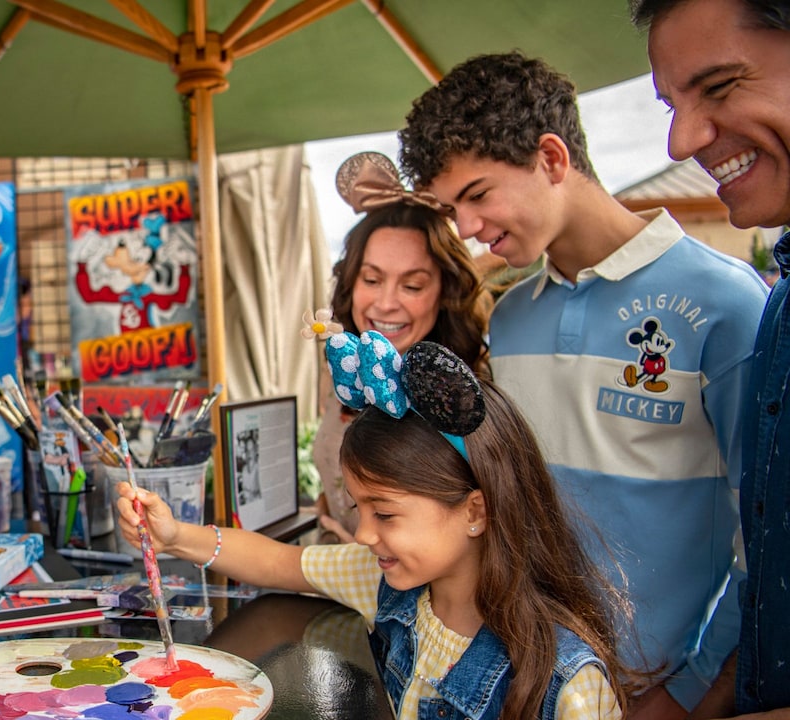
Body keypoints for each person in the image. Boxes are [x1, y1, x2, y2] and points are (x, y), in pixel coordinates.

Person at [396, 51, 770, 717]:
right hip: (525, 676)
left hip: (656, 690)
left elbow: (767, 541)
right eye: (453, 209)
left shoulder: (724, 304)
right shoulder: (509, 318)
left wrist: (692, 695)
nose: (468, 229)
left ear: (552, 158)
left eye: (478, 195)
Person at [118, 329, 633, 719]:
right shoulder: (385, 578)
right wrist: (174, 536)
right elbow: (279, 561)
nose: (363, 533)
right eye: (358, 507)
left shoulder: (569, 684)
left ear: (475, 511)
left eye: (384, 513)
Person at [628, 0, 790, 716]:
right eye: (671, 103)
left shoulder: (731, 299)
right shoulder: (781, 306)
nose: (682, 139)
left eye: (719, 86)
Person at [311, 151, 491, 542]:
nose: (386, 303)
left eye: (412, 285)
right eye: (372, 279)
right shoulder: (346, 374)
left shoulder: (461, 402)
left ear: (446, 291)